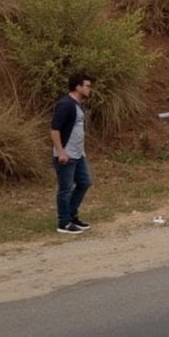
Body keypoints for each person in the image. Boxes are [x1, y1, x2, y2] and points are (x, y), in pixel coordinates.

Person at [50, 73, 93, 234]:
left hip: (78, 154)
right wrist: (61, 152)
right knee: (65, 188)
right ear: (78, 87)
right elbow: (54, 130)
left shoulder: (77, 104)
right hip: (66, 155)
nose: (90, 89)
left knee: (85, 182)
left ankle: (72, 215)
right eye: (87, 86)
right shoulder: (65, 104)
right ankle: (64, 222)